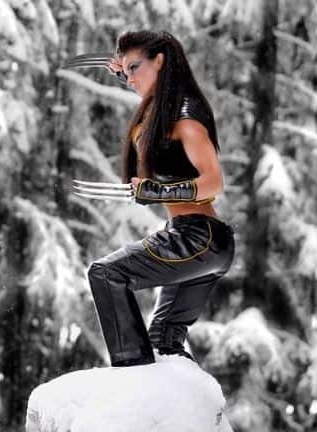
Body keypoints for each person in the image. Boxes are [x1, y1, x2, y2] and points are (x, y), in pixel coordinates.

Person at [80, 30, 236, 366]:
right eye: (126, 73)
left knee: (106, 274)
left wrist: (162, 192)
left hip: (199, 238)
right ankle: (180, 394)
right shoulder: (162, 111)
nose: (130, 79)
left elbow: (214, 182)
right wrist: (126, 71)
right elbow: (151, 105)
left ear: (161, 61)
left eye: (135, 68)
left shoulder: (185, 118)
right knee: (163, 342)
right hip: (199, 240)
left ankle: (133, 377)